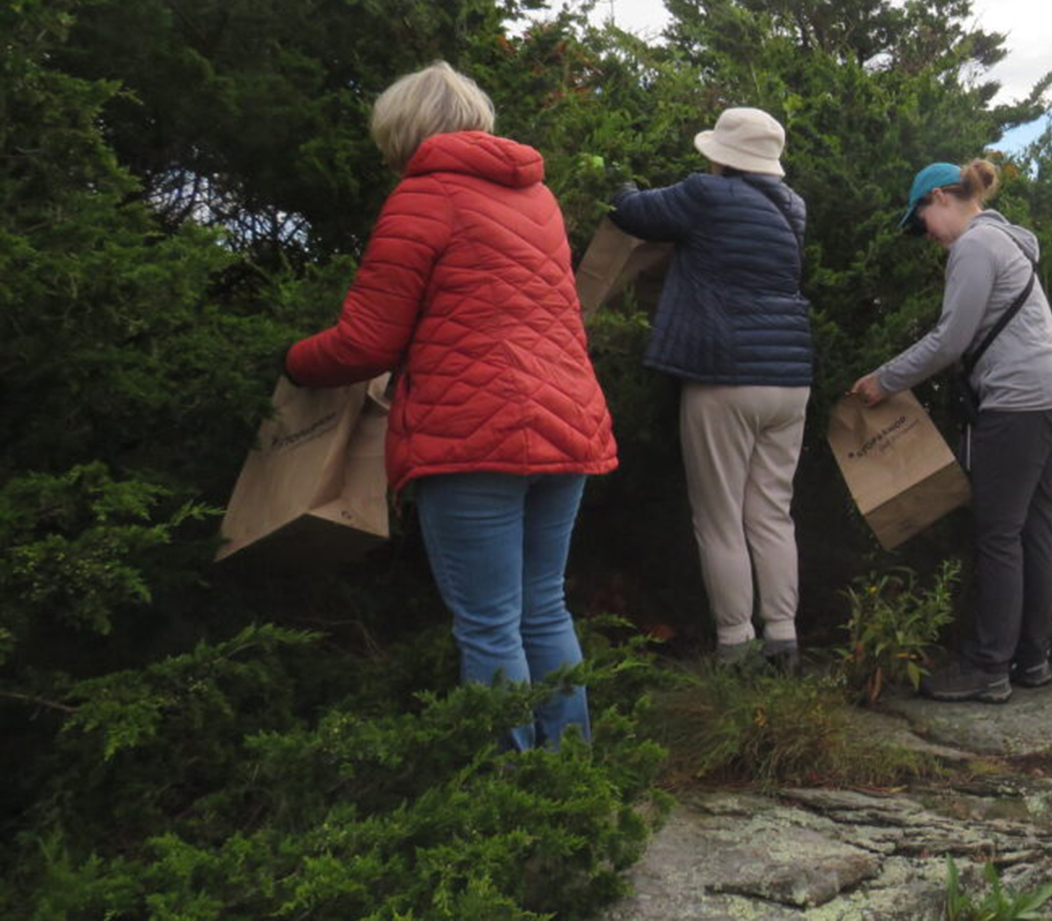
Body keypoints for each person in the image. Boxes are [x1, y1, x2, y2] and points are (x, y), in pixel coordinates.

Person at [285, 61, 616, 749]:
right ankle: (574, 780)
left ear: (401, 131)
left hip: (472, 436)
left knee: (490, 623)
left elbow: (367, 341)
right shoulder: (538, 196)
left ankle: (510, 802)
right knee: (543, 606)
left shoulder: (422, 197)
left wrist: (291, 362)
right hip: (566, 423)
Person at [851, 160, 1052, 703]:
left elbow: (951, 339)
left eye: (922, 220)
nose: (926, 235)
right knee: (1035, 528)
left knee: (999, 534)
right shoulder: (1009, 242)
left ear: (942, 198)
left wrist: (884, 380)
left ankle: (988, 667)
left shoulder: (976, 247)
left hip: (1020, 405)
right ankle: (1032, 658)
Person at [609, 108, 812, 670]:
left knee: (719, 516)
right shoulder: (793, 207)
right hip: (791, 378)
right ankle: (783, 641)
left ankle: (734, 645)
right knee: (772, 512)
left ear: (722, 155)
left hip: (724, 374)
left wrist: (618, 180)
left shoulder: (705, 194)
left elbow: (632, 212)